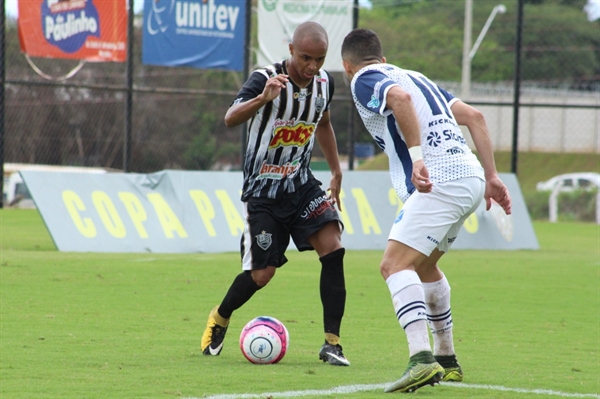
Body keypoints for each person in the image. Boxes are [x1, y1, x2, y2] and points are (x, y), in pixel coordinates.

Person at [340, 29, 512, 392]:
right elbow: (476, 117)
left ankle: (420, 359)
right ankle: (447, 358)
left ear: (346, 66)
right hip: (470, 178)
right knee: (426, 266)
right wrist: (492, 176)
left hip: (440, 181)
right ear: (384, 58)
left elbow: (398, 99)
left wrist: (418, 159)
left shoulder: (363, 80)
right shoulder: (417, 77)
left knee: (394, 265)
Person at [200, 21, 350, 366]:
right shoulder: (263, 78)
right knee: (262, 275)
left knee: (333, 247)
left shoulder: (324, 84)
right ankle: (220, 317)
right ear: (292, 50)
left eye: (320, 59)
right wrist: (262, 98)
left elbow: (323, 123)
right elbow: (230, 118)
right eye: (307, 58)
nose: (313, 67)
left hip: (300, 185)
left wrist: (337, 170)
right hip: (263, 194)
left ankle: (332, 343)